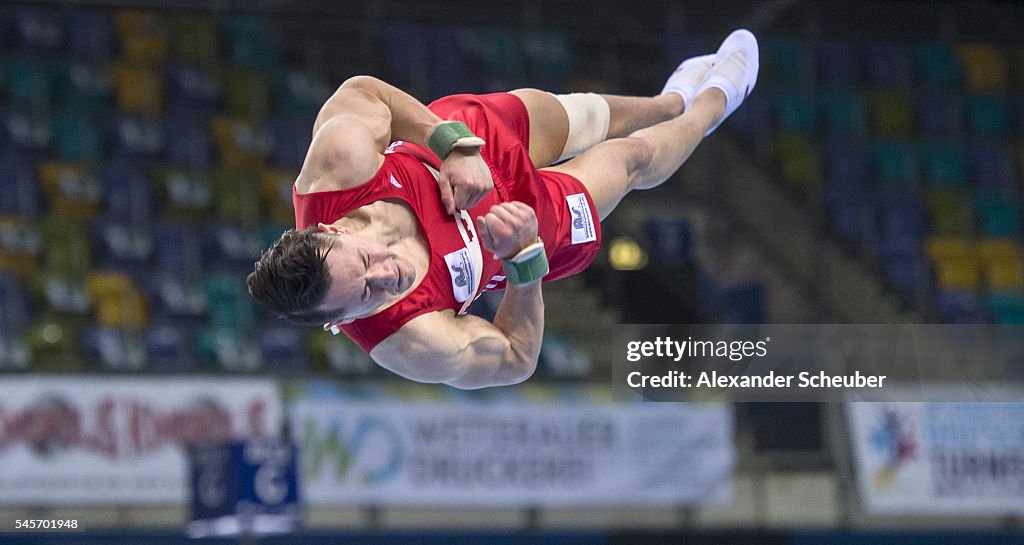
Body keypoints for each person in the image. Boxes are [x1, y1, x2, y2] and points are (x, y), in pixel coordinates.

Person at [247, 29, 760, 389]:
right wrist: (523, 264)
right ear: (338, 323)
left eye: (364, 264)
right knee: (629, 159)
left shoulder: (339, 170)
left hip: (473, 143)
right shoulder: (409, 340)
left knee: (589, 115)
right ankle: (718, 100)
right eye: (364, 295)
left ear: (333, 227)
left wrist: (451, 145)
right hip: (524, 223)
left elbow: (366, 92)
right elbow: (517, 359)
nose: (388, 274)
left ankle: (670, 102)